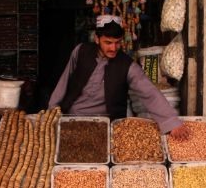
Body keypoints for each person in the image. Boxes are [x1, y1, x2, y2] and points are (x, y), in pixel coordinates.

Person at [48, 15, 189, 140]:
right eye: (108, 42)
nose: (113, 48)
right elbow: (64, 81)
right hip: (72, 119)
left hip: (105, 125)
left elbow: (150, 93)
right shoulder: (80, 51)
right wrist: (53, 109)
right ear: (97, 39)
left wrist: (171, 122)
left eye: (117, 42)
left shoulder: (128, 66)